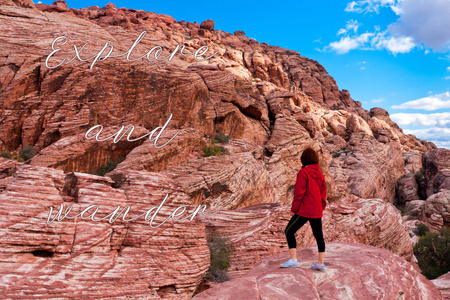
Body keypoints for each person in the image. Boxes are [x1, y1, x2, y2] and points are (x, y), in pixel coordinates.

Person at [280, 147, 327, 271]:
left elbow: (299, 193)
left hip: (305, 209)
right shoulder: (319, 173)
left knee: (289, 231)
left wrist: (294, 208)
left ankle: (293, 260)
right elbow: (323, 192)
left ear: (304, 159)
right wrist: (321, 206)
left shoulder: (303, 172)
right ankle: (321, 263)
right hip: (316, 210)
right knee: (319, 236)